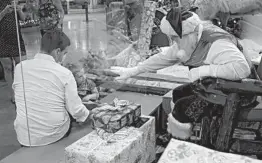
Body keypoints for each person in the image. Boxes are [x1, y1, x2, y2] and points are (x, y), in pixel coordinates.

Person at [110, 8, 251, 139]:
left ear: (188, 33)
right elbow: (164, 58)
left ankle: (180, 141)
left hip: (238, 93)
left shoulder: (217, 44)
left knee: (183, 108)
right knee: (178, 93)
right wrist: (133, 70)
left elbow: (242, 68)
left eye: (176, 38)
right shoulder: (191, 38)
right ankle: (183, 136)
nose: (174, 42)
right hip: (215, 88)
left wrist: (202, 71)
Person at [13, 30, 90, 147]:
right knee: (72, 114)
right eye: (65, 53)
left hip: (24, 134)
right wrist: (90, 115)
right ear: (58, 51)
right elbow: (76, 110)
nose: (65, 57)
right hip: (53, 135)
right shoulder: (64, 73)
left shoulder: (20, 68)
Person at [0, 0, 27, 102]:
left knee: (21, 65)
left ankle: (22, 90)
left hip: (16, 38)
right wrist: (4, 11)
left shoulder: (14, 1)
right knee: (7, 68)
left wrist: (19, 10)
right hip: (2, 39)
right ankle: (13, 94)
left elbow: (23, 19)